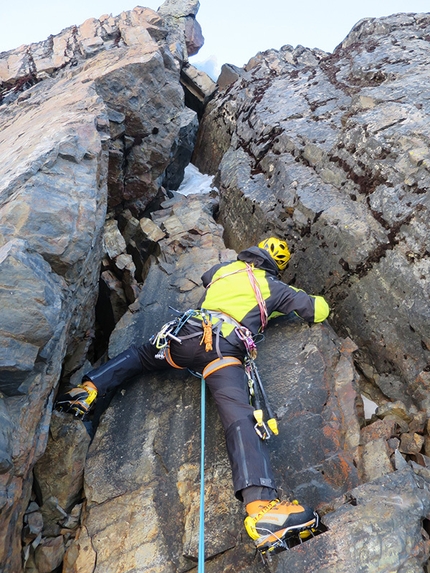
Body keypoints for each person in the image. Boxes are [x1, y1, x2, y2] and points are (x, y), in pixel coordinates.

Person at [56, 237, 329, 553]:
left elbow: (206, 277)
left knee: (140, 356)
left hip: (183, 335)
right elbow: (316, 309)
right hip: (221, 351)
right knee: (240, 418)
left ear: (253, 252)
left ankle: (86, 390)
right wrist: (279, 307)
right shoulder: (272, 288)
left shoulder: (224, 270)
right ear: (276, 266)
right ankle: (261, 511)